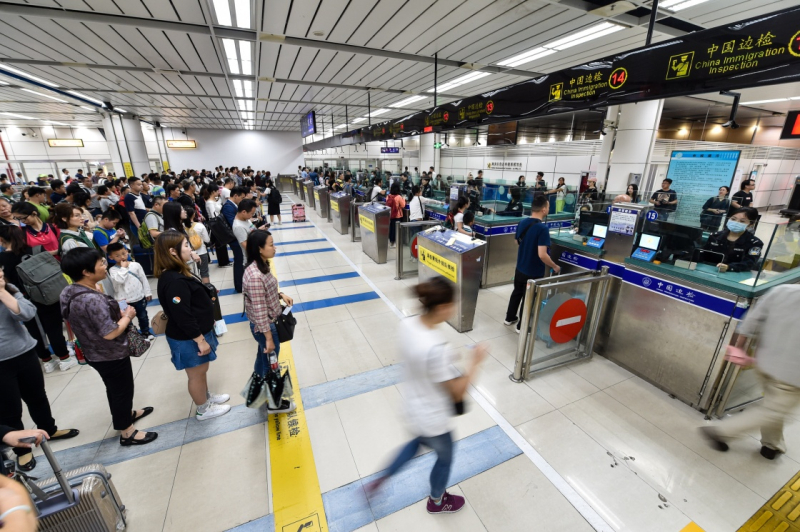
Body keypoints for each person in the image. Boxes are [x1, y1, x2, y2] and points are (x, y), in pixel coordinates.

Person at [366, 277, 487, 514]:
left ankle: (381, 479)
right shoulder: (436, 348)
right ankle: (437, 500)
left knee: (415, 444)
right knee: (445, 457)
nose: (454, 308)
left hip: (412, 407)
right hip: (434, 419)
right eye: (453, 304)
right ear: (441, 308)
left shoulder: (408, 324)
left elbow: (420, 361)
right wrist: (475, 362)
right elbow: (457, 393)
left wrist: (443, 366)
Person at [60, 248, 157, 446]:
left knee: (114, 389)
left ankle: (125, 414)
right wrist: (128, 316)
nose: (105, 267)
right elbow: (110, 332)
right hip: (110, 353)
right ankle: (127, 432)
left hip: (92, 351)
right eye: (101, 264)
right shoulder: (92, 299)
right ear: (86, 271)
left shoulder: (69, 291)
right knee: (122, 390)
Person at [700, 283, 800, 459]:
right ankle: (721, 431)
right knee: (774, 411)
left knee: (773, 404)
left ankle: (771, 445)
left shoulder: (783, 290)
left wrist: (740, 349)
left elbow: (750, 322)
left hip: (764, 363)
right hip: (792, 375)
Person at [0, 269, 80, 472]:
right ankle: (21, 448)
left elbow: (27, 313)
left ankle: (50, 430)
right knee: (10, 409)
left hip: (25, 353)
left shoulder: (9, 290)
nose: (1, 273)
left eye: (0, 271)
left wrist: (2, 292)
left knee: (37, 397)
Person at [154, 232, 231, 421]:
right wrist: (200, 341)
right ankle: (203, 409)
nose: (191, 249)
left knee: (202, 370)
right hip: (189, 338)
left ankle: (205, 397)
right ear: (173, 251)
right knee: (196, 374)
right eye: (186, 246)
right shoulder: (174, 281)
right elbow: (183, 316)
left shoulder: (179, 273)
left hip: (198, 332)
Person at [0, 225, 75, 372]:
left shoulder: (1, 259)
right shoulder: (36, 250)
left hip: (20, 299)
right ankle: (64, 358)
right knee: (53, 327)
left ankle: (47, 361)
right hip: (46, 294)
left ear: (1, 240)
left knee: (33, 329)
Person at [242, 230, 296, 413]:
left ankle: (258, 393)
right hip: (266, 327)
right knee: (270, 364)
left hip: (266, 324)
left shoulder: (260, 265)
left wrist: (280, 295)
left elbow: (264, 294)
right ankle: (273, 402)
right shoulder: (255, 276)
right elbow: (259, 311)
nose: (275, 247)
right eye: (271, 244)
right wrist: (269, 338)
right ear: (259, 248)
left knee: (263, 359)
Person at [504, 195, 561, 332]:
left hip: (520, 267)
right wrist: (554, 266)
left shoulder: (522, 222)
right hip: (534, 271)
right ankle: (522, 327)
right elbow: (542, 254)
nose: (548, 209)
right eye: (547, 206)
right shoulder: (542, 229)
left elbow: (517, 242)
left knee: (517, 292)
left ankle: (509, 318)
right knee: (529, 298)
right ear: (543, 210)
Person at [106, 242, 153, 340]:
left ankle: (146, 332)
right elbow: (119, 280)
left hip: (139, 297)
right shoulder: (113, 270)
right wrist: (123, 268)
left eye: (123, 253)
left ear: (127, 252)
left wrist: (147, 292)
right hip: (123, 300)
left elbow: (143, 279)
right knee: (127, 319)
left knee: (143, 316)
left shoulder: (136, 265)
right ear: (111, 257)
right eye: (117, 255)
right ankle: (133, 335)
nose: (122, 257)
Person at [701, 207, 763, 272]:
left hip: (735, 275)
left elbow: (749, 263)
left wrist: (729, 267)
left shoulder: (754, 243)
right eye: (733, 219)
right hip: (710, 271)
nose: (736, 222)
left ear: (751, 224)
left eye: (742, 221)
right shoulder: (715, 236)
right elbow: (704, 254)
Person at [222, 187, 249, 289]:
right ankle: (239, 285)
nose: (242, 200)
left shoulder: (232, 205)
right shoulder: (228, 207)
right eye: (241, 198)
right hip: (235, 239)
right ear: (235, 196)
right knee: (239, 261)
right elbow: (233, 222)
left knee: (240, 260)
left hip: (237, 237)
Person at [184, 206, 211, 283]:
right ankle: (207, 289)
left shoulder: (181, 227)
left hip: (188, 254)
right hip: (201, 251)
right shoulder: (199, 225)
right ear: (193, 215)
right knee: (204, 272)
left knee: (191, 274)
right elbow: (207, 240)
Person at [386, 183, 406, 249]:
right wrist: (404, 199)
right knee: (396, 229)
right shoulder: (398, 197)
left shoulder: (388, 196)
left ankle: (391, 241)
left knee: (391, 228)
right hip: (397, 215)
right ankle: (395, 242)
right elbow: (403, 205)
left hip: (390, 215)